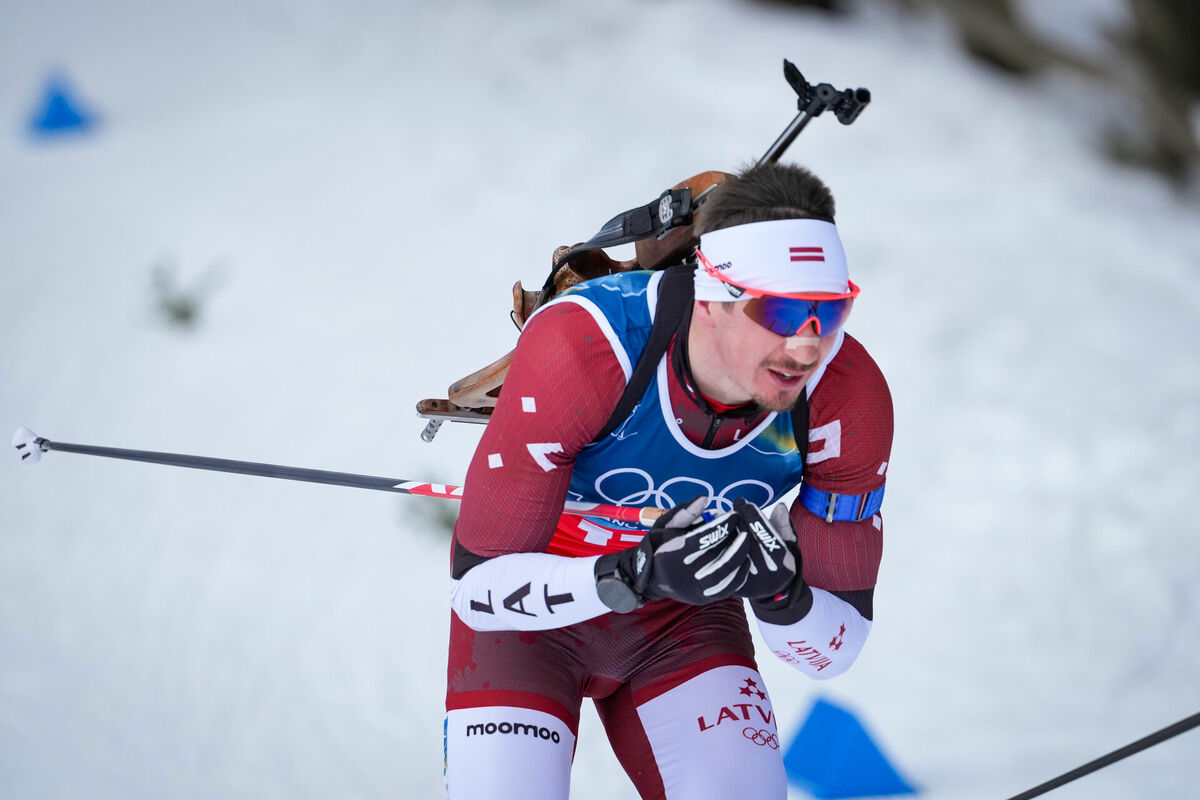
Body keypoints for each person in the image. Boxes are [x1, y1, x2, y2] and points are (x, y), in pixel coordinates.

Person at [442, 162, 893, 799]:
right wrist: (631, 575)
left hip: (684, 620)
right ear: (711, 297)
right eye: (781, 310)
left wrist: (781, 591)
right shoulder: (590, 343)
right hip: (530, 616)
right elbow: (476, 592)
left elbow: (835, 649)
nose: (806, 347)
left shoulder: (847, 396)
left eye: (829, 309)